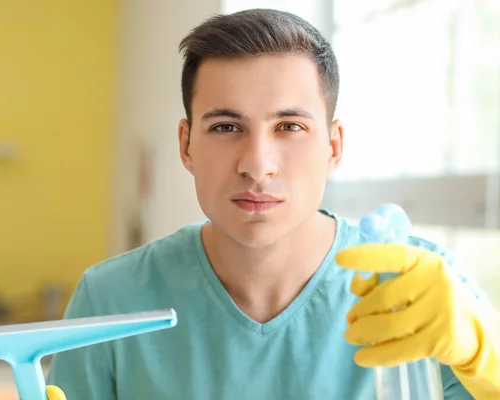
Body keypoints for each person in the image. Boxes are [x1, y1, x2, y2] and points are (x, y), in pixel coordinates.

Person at [46, 8, 500, 399]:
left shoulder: (420, 287)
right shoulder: (111, 299)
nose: (257, 166)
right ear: (186, 146)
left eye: (289, 127)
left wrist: (487, 359)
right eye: (226, 127)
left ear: (333, 146)